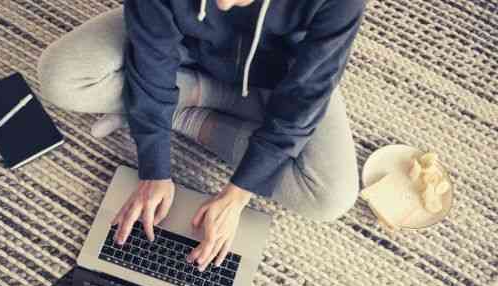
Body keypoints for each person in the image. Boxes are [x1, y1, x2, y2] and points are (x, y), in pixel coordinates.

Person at [38, 0, 364, 271]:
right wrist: (154, 169)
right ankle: (180, 102)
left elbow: (303, 98)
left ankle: (183, 107)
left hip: (278, 81)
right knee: (60, 77)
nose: (221, 4)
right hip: (184, 51)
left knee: (330, 197)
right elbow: (150, 59)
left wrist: (239, 193)